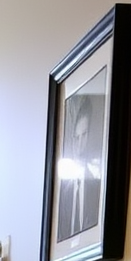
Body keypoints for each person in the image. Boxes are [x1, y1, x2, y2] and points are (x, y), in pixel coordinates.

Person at [56, 94, 101, 241]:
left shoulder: (97, 187)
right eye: (77, 137)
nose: (80, 144)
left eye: (84, 135)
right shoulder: (61, 193)